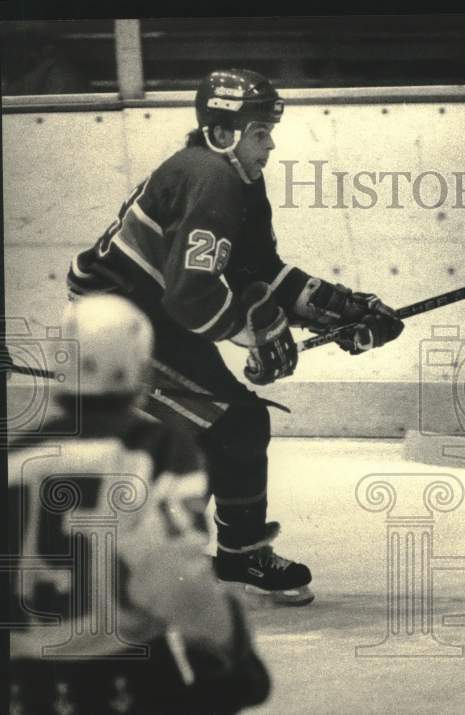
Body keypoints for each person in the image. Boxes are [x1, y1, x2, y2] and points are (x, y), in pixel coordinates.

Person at [65, 68, 404, 605]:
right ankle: (221, 554)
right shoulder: (212, 178)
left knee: (223, 427)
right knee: (236, 422)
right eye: (260, 133)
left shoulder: (236, 176)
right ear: (223, 133)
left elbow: (258, 269)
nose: (270, 145)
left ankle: (180, 549)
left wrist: (335, 309)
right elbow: (192, 295)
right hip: (120, 318)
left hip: (153, 309)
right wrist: (253, 334)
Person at [7, 294, 270, 714]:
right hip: (123, 684)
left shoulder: (14, 458)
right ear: (139, 363)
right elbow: (172, 571)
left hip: (22, 690)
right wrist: (228, 651)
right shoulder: (154, 450)